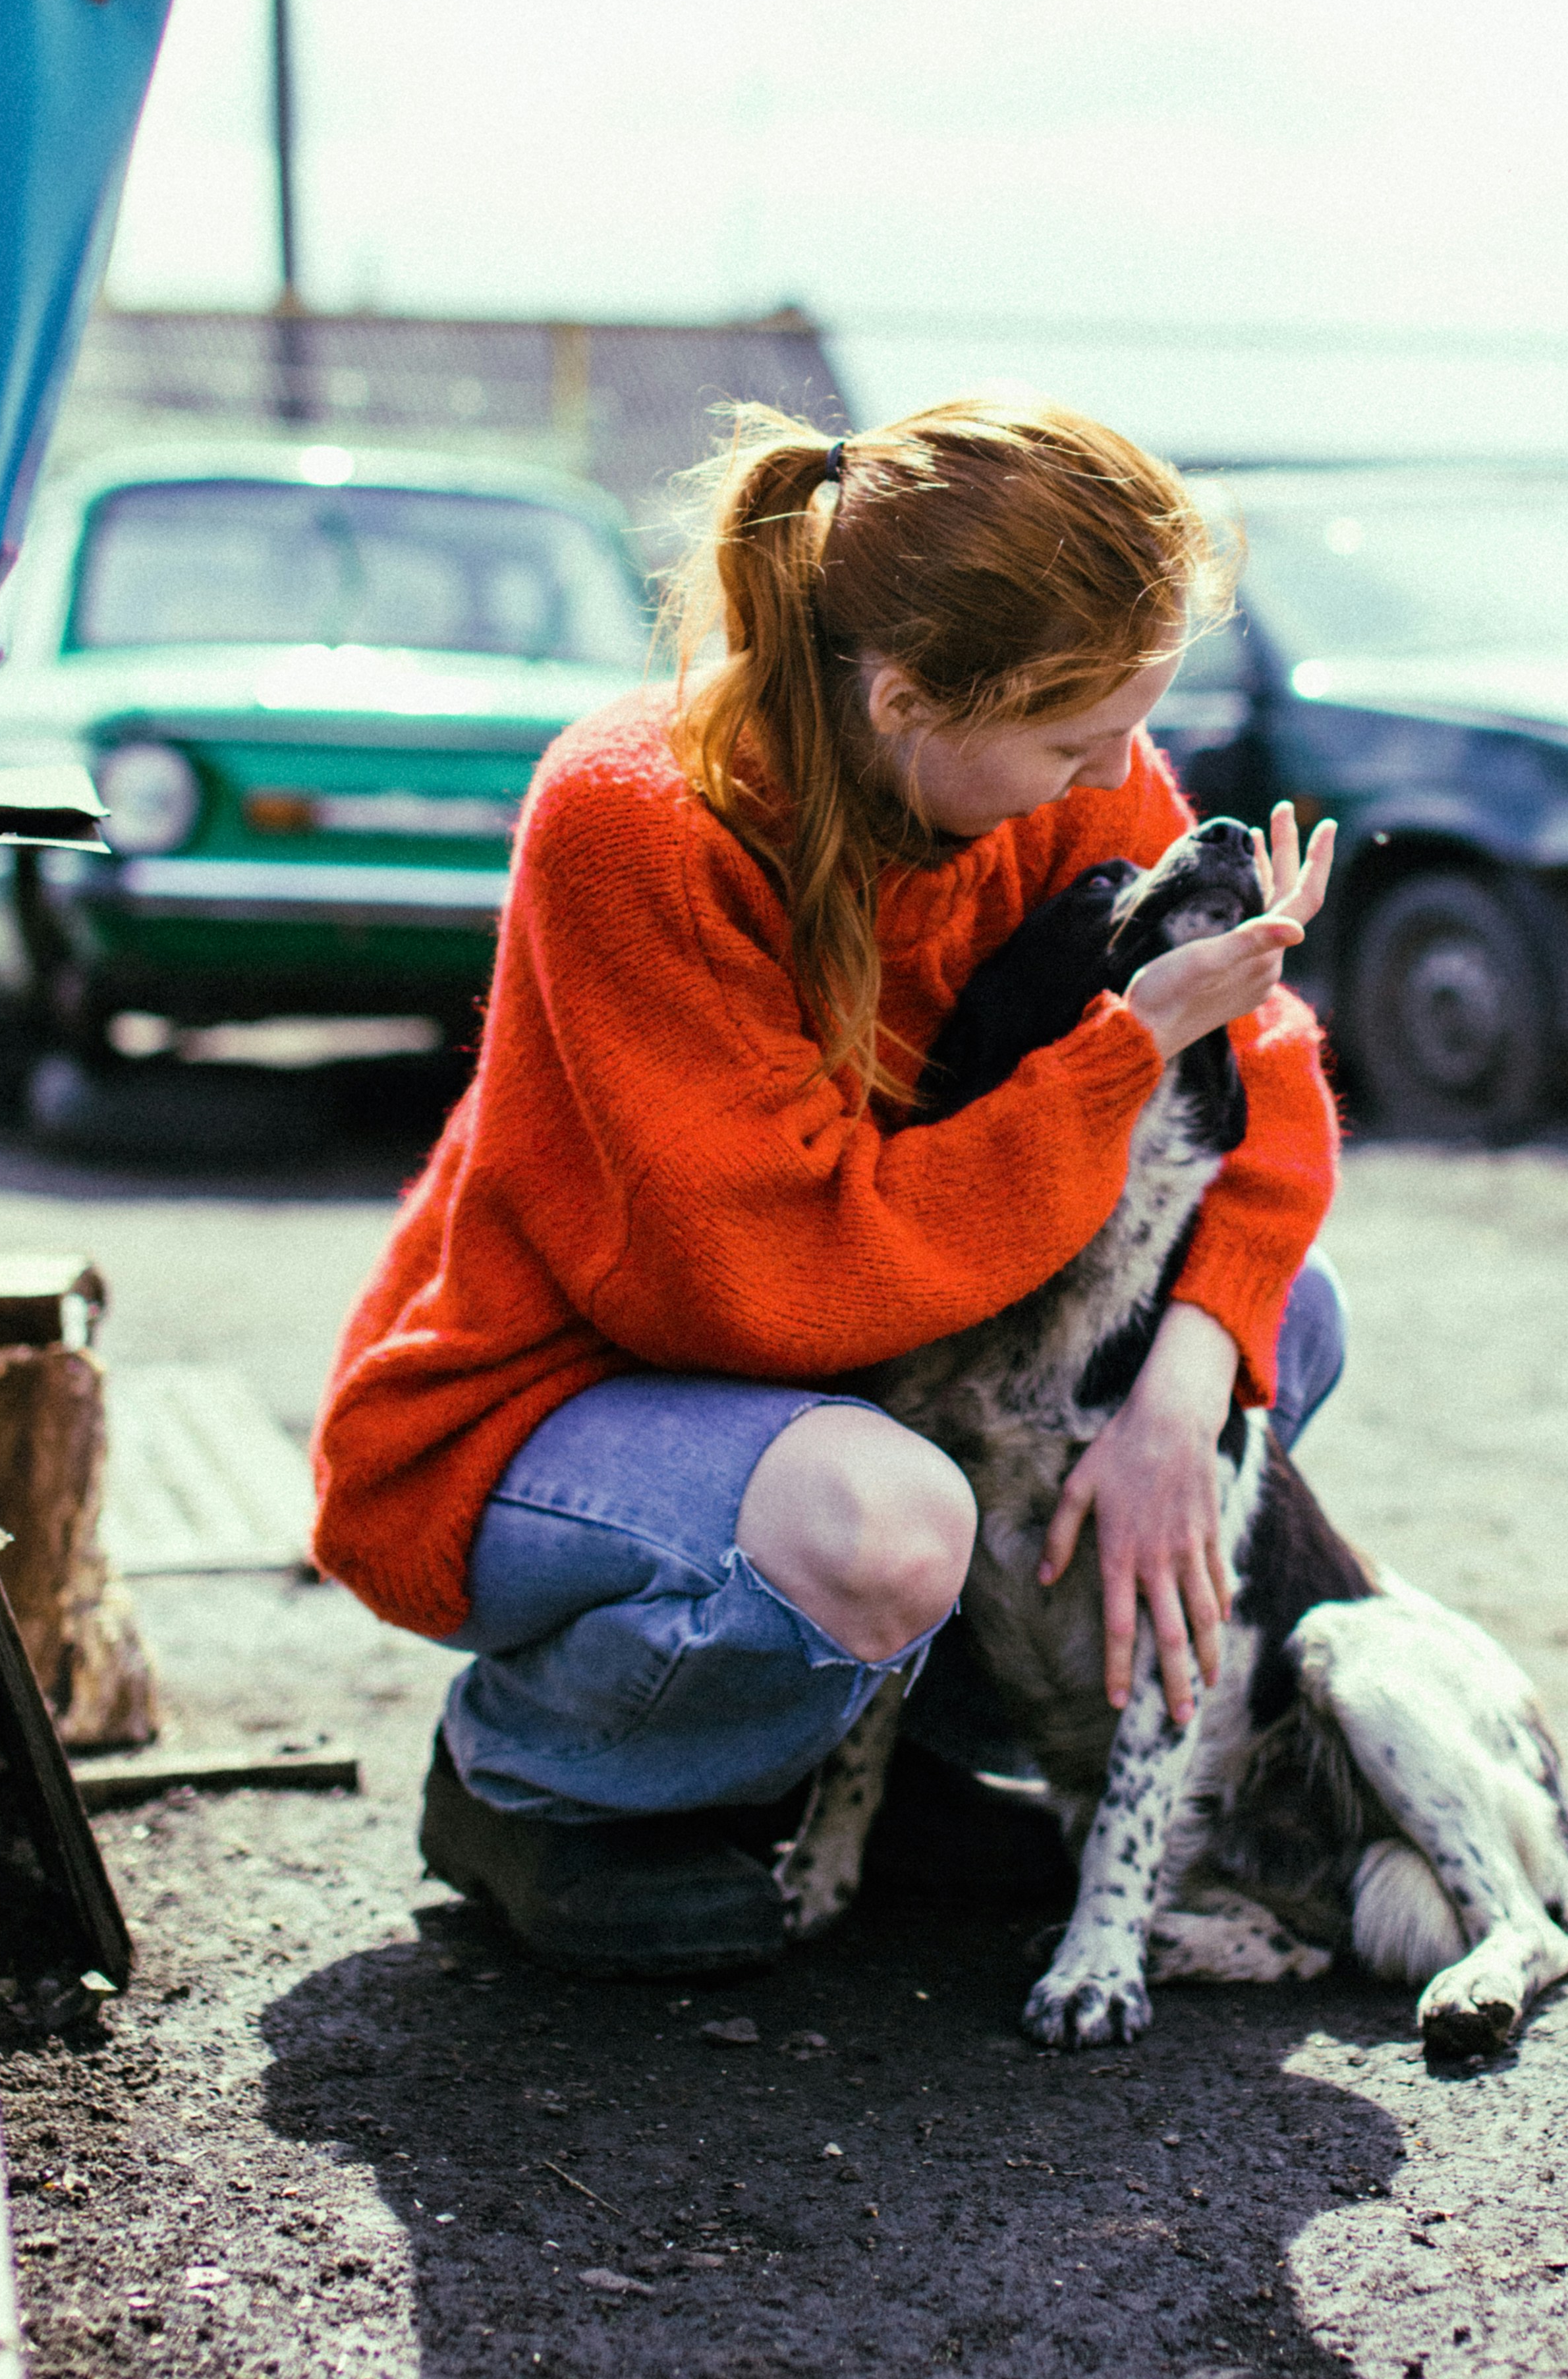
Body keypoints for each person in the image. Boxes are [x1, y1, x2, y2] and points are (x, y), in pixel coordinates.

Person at [311, 399, 1341, 1976]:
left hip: (877, 1350)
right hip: (576, 1392)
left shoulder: (1065, 780)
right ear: (911, 697)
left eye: (1124, 733)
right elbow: (776, 1283)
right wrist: (1123, 1052)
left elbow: (1260, 1092)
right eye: (1073, 741)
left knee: (1281, 1329)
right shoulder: (640, 822)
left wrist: (1177, 1399)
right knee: (881, 1528)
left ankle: (896, 1763)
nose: (1115, 776)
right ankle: (533, 1785)